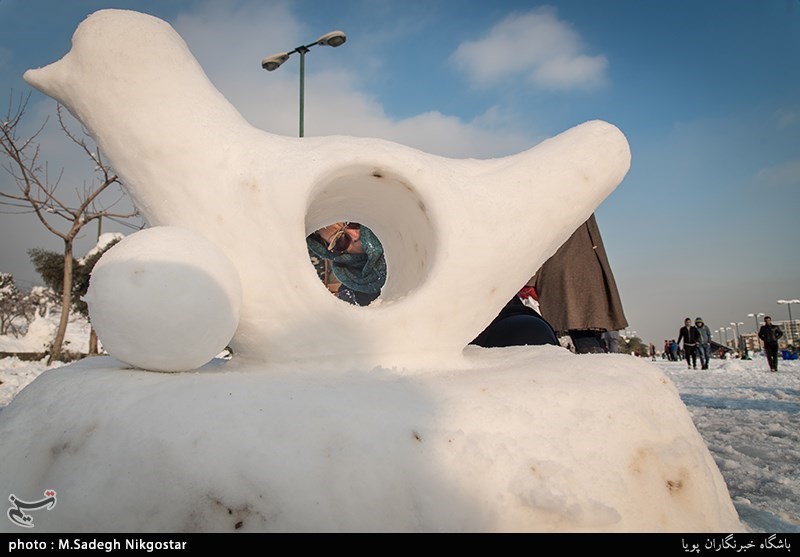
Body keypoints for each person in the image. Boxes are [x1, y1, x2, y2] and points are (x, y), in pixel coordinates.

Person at [307, 222, 558, 348]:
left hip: (483, 323)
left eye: (353, 223)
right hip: (426, 357)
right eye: (340, 241)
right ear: (333, 254)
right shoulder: (351, 295)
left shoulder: (422, 239)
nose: (355, 236)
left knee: (529, 332)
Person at [532, 214, 628, 354]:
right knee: (585, 329)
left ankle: (595, 368)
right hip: (584, 270)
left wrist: (530, 279)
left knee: (582, 329)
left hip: (566, 271)